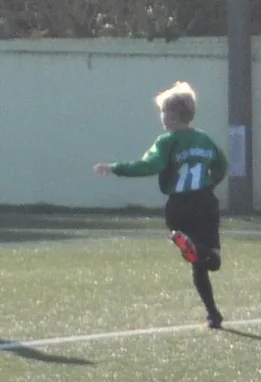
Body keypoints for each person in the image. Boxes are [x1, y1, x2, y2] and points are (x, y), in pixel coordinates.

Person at [94, 82, 229, 328]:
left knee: (197, 262)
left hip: (178, 207)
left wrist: (115, 168)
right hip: (204, 203)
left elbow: (149, 165)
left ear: (172, 115)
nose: (162, 116)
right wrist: (210, 181)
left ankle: (213, 313)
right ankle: (201, 255)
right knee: (213, 261)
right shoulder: (205, 140)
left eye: (163, 111)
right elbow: (221, 166)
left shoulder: (166, 141)